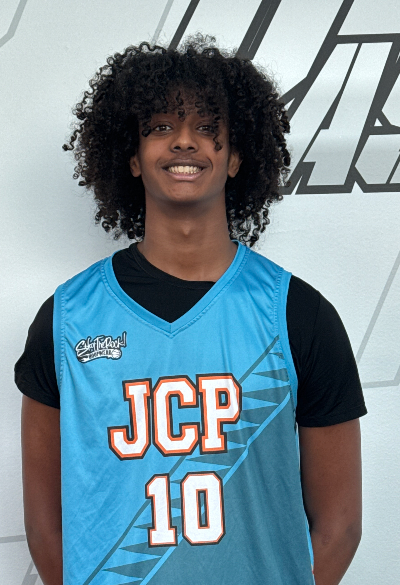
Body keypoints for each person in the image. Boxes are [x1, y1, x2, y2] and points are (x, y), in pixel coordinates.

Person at [15, 34, 367, 585]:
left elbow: (339, 526)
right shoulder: (66, 320)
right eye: (160, 127)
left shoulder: (298, 315)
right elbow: (45, 527)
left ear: (236, 156)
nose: (184, 142)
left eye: (207, 127)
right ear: (131, 157)